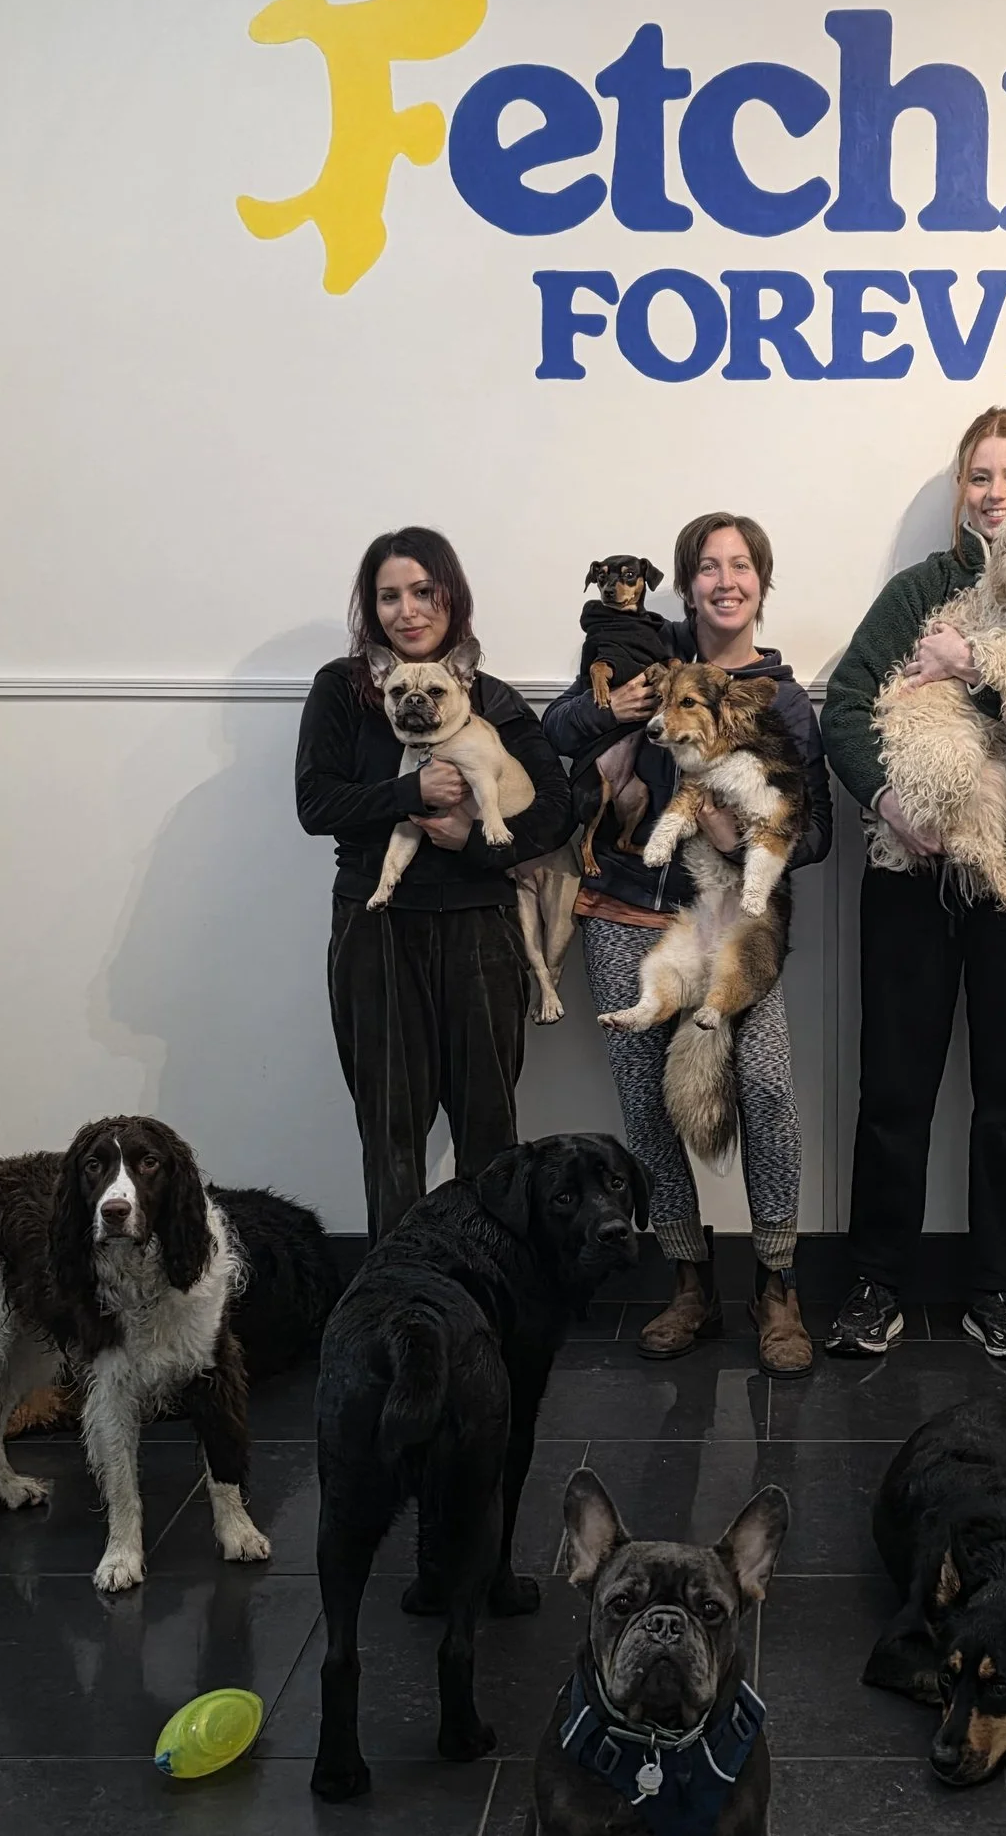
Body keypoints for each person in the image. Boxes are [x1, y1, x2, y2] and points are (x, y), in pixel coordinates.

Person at [819, 406, 1006, 1362]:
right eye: (980, 477)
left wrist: (974, 664)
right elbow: (847, 710)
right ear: (962, 492)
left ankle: (996, 1289)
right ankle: (875, 1284)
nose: (996, 494)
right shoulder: (921, 590)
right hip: (914, 864)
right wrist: (890, 801)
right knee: (894, 1082)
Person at [542, 513, 830, 1377]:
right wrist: (612, 705)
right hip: (627, 905)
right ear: (686, 582)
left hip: (736, 921)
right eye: (708, 567)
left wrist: (742, 840)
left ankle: (777, 1283)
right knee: (645, 1105)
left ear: (762, 583)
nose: (725, 580)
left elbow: (810, 833)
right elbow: (558, 732)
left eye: (742, 565)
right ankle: (687, 1278)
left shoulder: (781, 696)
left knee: (769, 1086)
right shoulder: (643, 661)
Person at [296, 526, 573, 1241]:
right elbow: (315, 805)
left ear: (452, 598)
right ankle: (394, 1299)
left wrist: (473, 841)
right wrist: (410, 791)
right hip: (376, 928)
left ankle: (489, 1292)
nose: (407, 609)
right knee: (390, 1130)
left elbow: (555, 812)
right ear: (371, 607)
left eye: (424, 592)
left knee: (489, 1128)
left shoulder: (496, 701)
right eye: (388, 596)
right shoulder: (341, 690)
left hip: (481, 927)